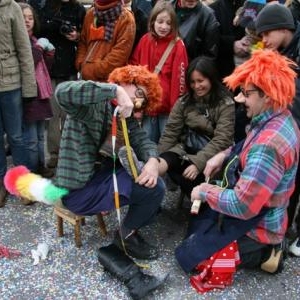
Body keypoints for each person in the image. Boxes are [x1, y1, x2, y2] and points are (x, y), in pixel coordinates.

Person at [175, 50, 299, 293]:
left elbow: (243, 206)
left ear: (268, 94)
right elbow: (248, 146)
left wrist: (204, 191)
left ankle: (267, 253)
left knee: (191, 256)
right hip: (262, 210)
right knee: (199, 224)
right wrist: (223, 154)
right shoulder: (279, 117)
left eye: (246, 93)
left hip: (258, 227)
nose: (240, 99)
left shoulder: (268, 146)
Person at [52, 65, 166, 298]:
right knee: (146, 185)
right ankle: (125, 240)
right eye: (138, 92)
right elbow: (62, 92)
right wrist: (113, 90)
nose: (137, 101)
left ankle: (126, 234)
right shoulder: (92, 102)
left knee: (154, 184)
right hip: (78, 190)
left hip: (102, 178)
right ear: (124, 80)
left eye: (143, 99)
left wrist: (153, 160)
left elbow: (144, 140)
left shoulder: (125, 118)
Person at [255, 3, 300, 256]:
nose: (263, 40)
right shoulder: (278, 49)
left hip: (293, 124)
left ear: (281, 28)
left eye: (265, 34)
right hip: (287, 126)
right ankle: (281, 232)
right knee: (289, 182)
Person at [158, 56, 235, 199]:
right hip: (185, 148)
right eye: (192, 82)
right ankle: (150, 171)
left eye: (200, 81)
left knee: (190, 177)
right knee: (167, 158)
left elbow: (222, 139)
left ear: (211, 78)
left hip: (212, 155)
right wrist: (159, 155)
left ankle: (200, 205)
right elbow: (170, 132)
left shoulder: (225, 103)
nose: (196, 86)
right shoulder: (184, 102)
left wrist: (197, 163)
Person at [130, 0, 188, 143]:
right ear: (153, 21)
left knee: (165, 148)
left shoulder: (178, 45)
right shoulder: (145, 40)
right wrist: (137, 104)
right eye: (160, 21)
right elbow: (134, 69)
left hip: (167, 111)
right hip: (147, 106)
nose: (164, 26)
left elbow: (180, 80)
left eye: (168, 23)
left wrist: (176, 111)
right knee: (146, 147)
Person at [37, 0, 86, 169]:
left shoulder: (78, 9)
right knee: (51, 115)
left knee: (69, 115)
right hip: (48, 68)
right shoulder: (43, 6)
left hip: (69, 67)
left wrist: (77, 36)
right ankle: (55, 154)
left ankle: (69, 153)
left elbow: (85, 37)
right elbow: (36, 30)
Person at [0, 0, 37, 207]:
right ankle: (0, 182)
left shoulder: (11, 7)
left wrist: (29, 87)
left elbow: (24, 49)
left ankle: (23, 184)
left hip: (11, 84)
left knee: (16, 136)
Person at [19, 2, 55, 179]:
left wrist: (49, 53)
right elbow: (28, 62)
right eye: (23, 17)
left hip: (41, 94)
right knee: (31, 139)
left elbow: (44, 67)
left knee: (41, 136)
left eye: (30, 18)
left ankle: (41, 166)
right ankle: (32, 170)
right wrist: (40, 48)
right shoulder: (18, 40)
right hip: (28, 95)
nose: (27, 21)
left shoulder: (34, 39)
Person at [75, 0, 136, 82]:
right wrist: (80, 63)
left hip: (110, 82)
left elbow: (119, 55)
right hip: (85, 78)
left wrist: (93, 70)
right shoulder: (91, 14)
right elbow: (83, 41)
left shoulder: (126, 19)